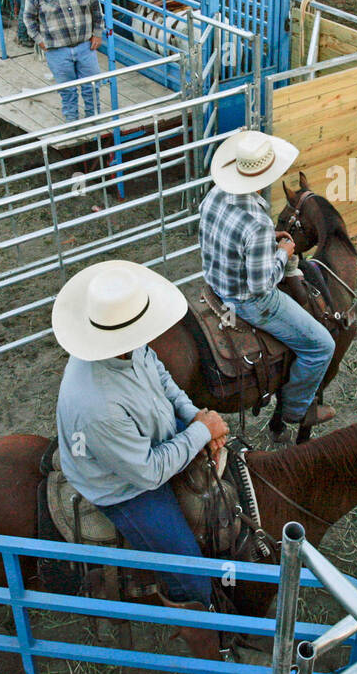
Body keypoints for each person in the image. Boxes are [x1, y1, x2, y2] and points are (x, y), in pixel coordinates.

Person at [53, 260, 229, 632]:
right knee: (190, 574)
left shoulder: (126, 347)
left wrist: (197, 415)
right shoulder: (97, 405)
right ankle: (210, 639)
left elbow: (161, 376)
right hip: (124, 488)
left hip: (150, 436)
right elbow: (147, 473)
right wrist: (200, 432)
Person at [198, 130, 336, 437]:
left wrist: (261, 244)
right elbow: (261, 284)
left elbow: (222, 235)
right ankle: (296, 408)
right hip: (248, 301)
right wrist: (284, 252)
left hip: (215, 285)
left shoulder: (215, 194)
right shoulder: (257, 221)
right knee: (322, 345)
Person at [23, 0, 103, 122]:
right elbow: (29, 18)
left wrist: (97, 33)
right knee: (67, 90)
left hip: (85, 46)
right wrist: (39, 40)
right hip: (57, 49)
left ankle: (94, 119)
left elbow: (96, 8)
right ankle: (72, 122)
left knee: (92, 85)